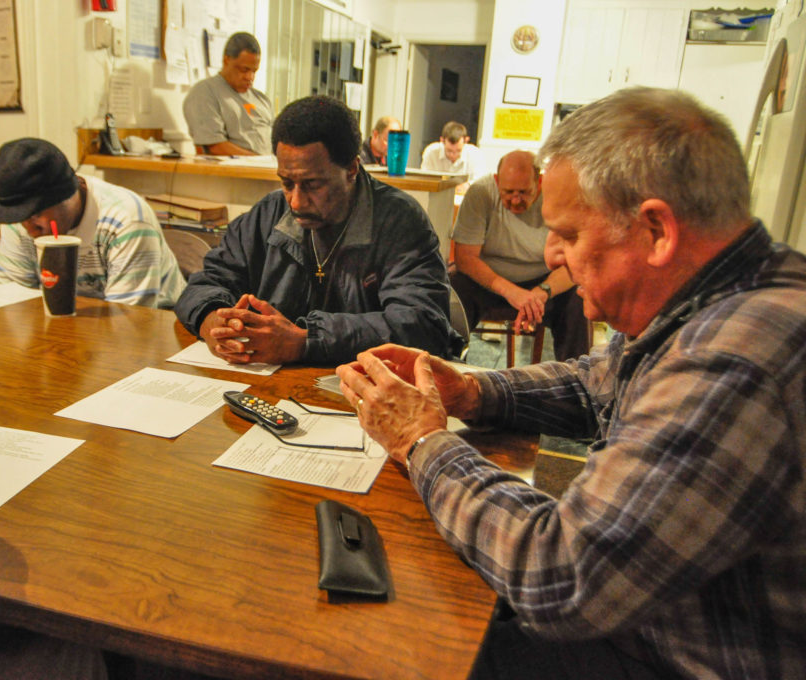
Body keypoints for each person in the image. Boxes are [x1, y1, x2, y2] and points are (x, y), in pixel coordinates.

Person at [336, 87, 806, 680]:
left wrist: (421, 441)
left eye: (570, 235)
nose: (551, 254)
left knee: (392, 645)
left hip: (666, 655)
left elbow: (559, 575)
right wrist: (471, 393)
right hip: (648, 620)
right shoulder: (728, 293)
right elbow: (593, 381)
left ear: (656, 230)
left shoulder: (738, 360)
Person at [174, 95, 460, 365]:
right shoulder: (269, 213)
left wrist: (305, 340)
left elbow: (423, 325)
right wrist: (214, 320)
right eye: (286, 183)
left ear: (351, 169)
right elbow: (203, 284)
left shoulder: (400, 221)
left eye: (313, 185)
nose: (296, 201)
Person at [0, 137, 186, 308]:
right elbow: (10, 301)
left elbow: (128, 321)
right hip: (67, 331)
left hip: (157, 326)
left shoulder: (127, 220)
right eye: (19, 216)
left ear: (67, 194)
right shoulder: (19, 221)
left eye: (35, 215)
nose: (29, 229)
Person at [450, 149, 589, 361]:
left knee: (578, 298)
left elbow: (573, 261)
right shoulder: (480, 193)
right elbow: (465, 258)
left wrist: (541, 292)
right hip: (490, 282)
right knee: (452, 289)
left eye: (524, 193)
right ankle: (448, 365)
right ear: (497, 182)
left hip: (544, 283)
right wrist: (511, 292)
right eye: (508, 192)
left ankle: (577, 373)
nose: (515, 200)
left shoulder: (559, 197)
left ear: (539, 183)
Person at [182, 32, 273, 156]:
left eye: (254, 71)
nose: (250, 77)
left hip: (268, 169)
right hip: (235, 170)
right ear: (226, 60)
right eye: (244, 70)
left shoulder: (262, 99)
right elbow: (215, 147)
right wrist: (261, 162)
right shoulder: (204, 93)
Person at [420, 121, 486, 183]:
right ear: (442, 141)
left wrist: (468, 184)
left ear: (466, 141)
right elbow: (425, 179)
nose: (453, 155)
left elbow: (480, 181)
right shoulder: (431, 152)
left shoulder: (475, 154)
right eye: (449, 150)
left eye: (458, 151)